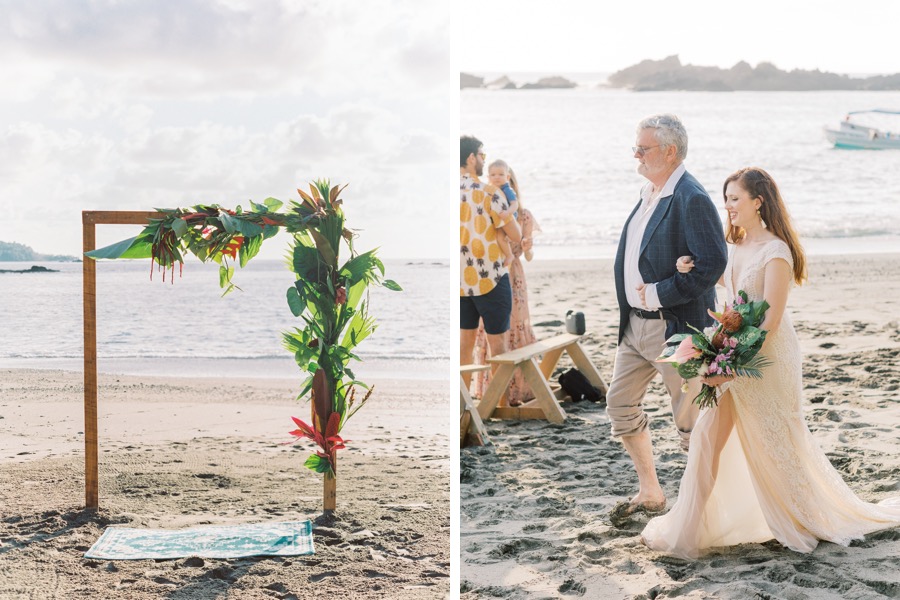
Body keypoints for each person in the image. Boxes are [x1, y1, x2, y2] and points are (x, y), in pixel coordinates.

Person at [641, 167, 900, 559]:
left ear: (757, 202)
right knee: (707, 439)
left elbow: (770, 318)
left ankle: (804, 517)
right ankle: (687, 529)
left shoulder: (776, 252)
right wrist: (688, 271)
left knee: (776, 441)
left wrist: (729, 365)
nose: (727, 206)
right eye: (725, 198)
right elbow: (733, 304)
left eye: (734, 199)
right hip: (734, 354)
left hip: (767, 359)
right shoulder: (737, 247)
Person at [606, 114, 728, 525]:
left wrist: (660, 292)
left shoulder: (691, 197)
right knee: (619, 403)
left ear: (670, 151)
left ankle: (702, 506)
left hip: (675, 327)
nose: (635, 153)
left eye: (643, 148)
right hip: (634, 326)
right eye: (636, 146)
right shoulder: (649, 191)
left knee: (690, 421)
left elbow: (711, 263)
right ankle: (651, 491)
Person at [470, 164, 540, 407]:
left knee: (515, 329)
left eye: (501, 179)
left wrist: (528, 248)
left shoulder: (524, 215)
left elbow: (528, 256)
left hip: (515, 277)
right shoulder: (487, 210)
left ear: (510, 183)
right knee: (492, 333)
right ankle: (494, 393)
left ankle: (516, 391)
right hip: (491, 274)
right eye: (493, 178)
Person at [460, 136, 522, 389]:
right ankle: (497, 404)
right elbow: (515, 235)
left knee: (465, 347)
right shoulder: (489, 193)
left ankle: (465, 407)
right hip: (490, 278)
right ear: (471, 158)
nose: (484, 161)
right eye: (482, 155)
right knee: (499, 350)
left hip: (460, 282)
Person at [487, 159, 519, 267]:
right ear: (488, 178)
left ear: (508, 177)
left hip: (508, 217)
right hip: (500, 217)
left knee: (501, 237)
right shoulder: (490, 190)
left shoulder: (507, 189)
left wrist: (508, 212)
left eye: (501, 174)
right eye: (493, 175)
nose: (497, 177)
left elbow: (515, 204)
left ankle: (509, 255)